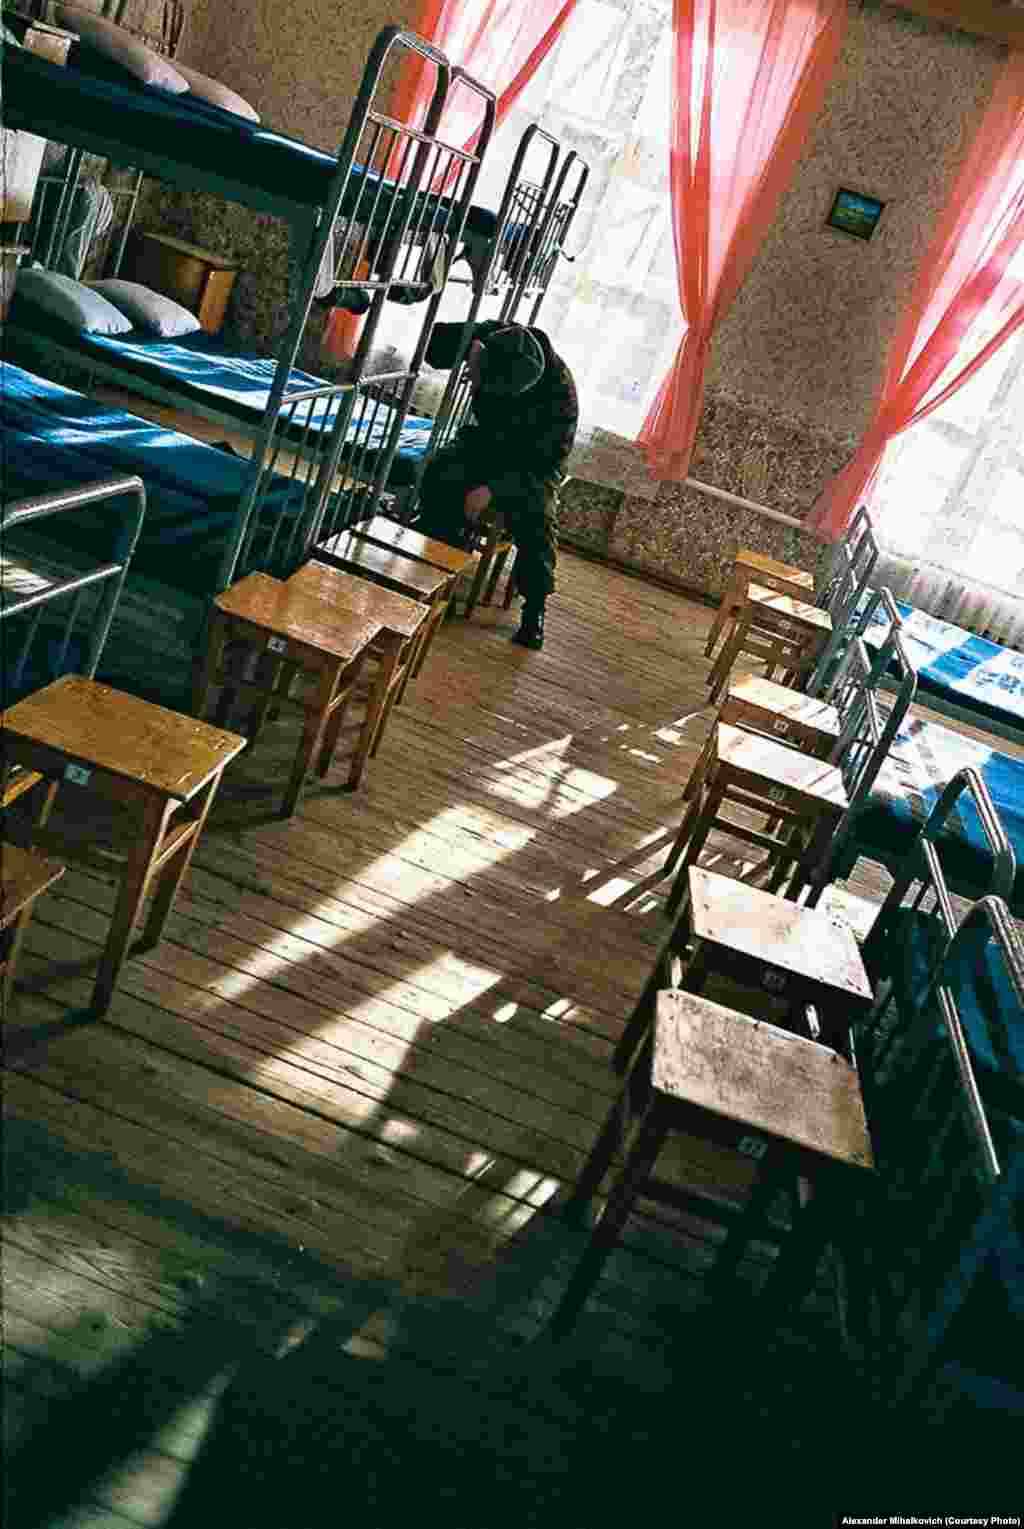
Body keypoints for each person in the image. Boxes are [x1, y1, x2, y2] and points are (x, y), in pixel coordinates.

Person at [415, 319, 578, 651]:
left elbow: (544, 462)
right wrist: (467, 352)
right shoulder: (495, 337)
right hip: (490, 441)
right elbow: (433, 345)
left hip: (533, 464)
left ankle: (535, 609)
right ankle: (439, 568)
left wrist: (494, 489)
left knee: (537, 518)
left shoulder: (561, 397)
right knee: (440, 472)